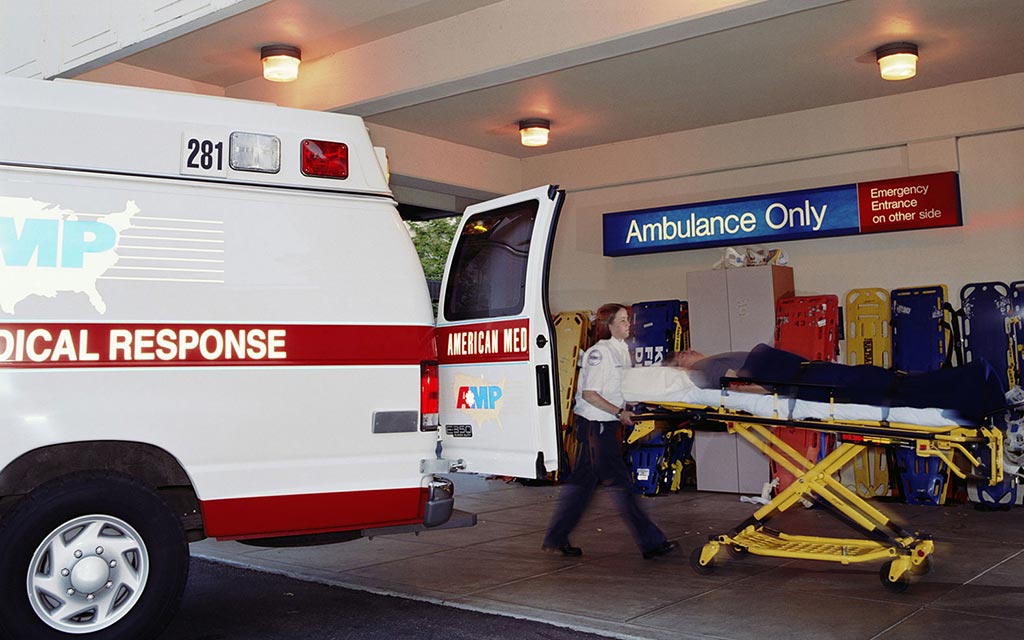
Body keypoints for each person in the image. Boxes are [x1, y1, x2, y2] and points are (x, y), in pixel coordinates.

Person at [543, 303, 678, 559]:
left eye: (629, 320)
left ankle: (556, 537)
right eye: (624, 320)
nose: (630, 324)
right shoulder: (600, 354)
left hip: (605, 425)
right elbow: (590, 394)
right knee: (621, 484)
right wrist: (618, 413)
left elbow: (621, 389)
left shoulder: (622, 351)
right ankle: (651, 542)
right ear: (609, 326)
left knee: (582, 486)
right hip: (597, 427)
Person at [669, 343, 1007, 423]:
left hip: (809, 375)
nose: (691, 351)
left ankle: (975, 384)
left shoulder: (712, 361)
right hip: (809, 382)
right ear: (682, 363)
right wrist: (774, 390)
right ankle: (975, 384)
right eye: (684, 353)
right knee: (890, 388)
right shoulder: (703, 371)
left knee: (891, 384)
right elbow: (740, 385)